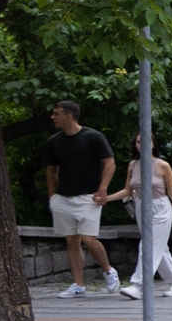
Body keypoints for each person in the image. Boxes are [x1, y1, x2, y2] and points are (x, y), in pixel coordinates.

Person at [41, 100, 119, 298]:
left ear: (69, 116)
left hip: (89, 196)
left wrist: (103, 189)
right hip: (63, 197)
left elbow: (110, 163)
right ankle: (78, 284)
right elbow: (51, 170)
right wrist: (52, 197)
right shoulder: (54, 141)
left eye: (56, 113)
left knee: (88, 239)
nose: (52, 117)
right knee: (71, 240)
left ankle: (108, 270)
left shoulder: (93, 137)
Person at [107, 134, 172, 298]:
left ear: (153, 144)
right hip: (141, 206)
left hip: (160, 207)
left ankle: (138, 285)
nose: (142, 144)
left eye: (146, 141)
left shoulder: (163, 165)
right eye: (139, 142)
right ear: (135, 145)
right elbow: (128, 191)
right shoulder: (133, 165)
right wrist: (106, 199)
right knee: (159, 247)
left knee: (148, 245)